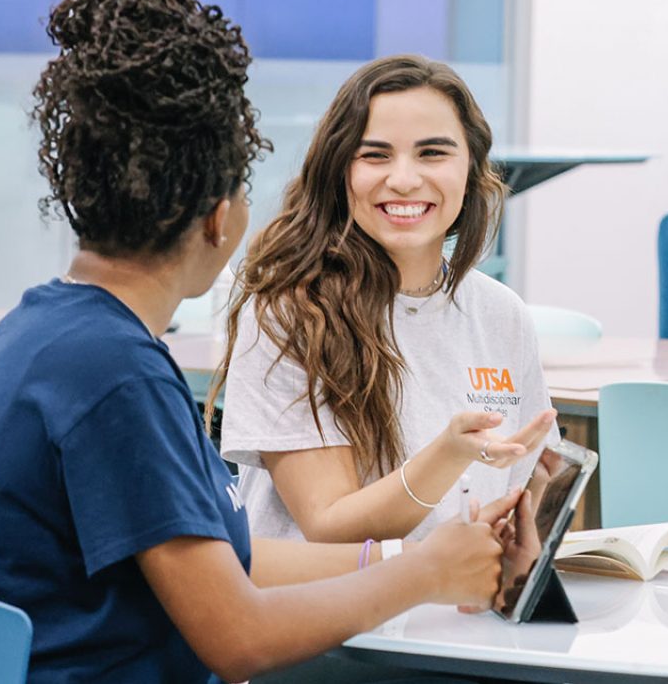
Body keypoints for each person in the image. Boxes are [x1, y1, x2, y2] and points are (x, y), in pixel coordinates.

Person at [0, 0, 510, 681]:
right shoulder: (115, 375)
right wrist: (425, 576)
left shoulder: (41, 331)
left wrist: (405, 558)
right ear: (218, 218)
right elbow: (239, 640)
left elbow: (226, 556)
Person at [208, 54, 560, 546]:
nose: (404, 179)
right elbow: (329, 526)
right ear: (339, 171)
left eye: (433, 153)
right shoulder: (290, 312)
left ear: (472, 169)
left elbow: (523, 492)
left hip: (457, 613)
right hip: (330, 615)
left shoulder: (502, 314)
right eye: (375, 155)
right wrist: (449, 455)